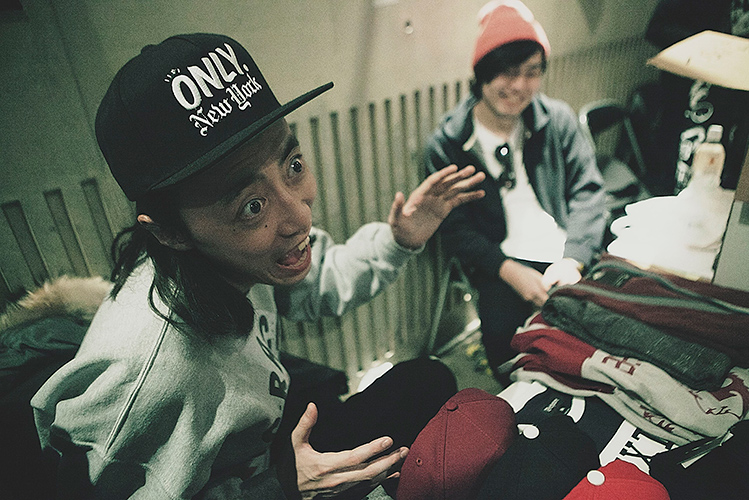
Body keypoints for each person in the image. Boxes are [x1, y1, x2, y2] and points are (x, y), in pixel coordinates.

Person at [30, 33, 485, 499]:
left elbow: (320, 279)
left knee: (429, 381)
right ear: (170, 232)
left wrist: (398, 241)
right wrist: (282, 487)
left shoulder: (241, 256)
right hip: (262, 483)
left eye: (293, 166)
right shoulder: (148, 382)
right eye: (252, 206)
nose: (299, 216)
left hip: (269, 446)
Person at [424, 0, 606, 381]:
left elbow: (588, 190)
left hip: (565, 247)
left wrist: (573, 259)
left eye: (532, 72)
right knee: (507, 351)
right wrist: (509, 270)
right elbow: (455, 230)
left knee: (601, 336)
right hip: (500, 259)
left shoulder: (556, 120)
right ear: (482, 74)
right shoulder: (449, 143)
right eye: (507, 73)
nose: (520, 86)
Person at [644, 0, 749, 194]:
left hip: (734, 100)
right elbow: (656, 29)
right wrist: (713, 47)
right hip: (689, 95)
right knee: (680, 172)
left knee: (726, 178)